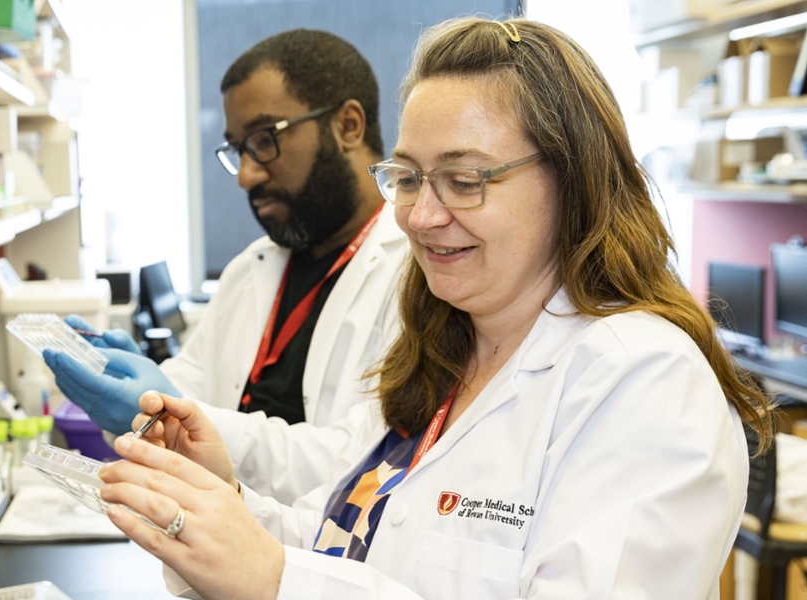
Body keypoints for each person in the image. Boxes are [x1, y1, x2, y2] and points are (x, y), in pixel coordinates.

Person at [92, 17, 773, 599]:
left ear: (571, 179)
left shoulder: (643, 382)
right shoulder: (441, 358)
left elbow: (300, 580)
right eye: (410, 177)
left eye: (464, 179)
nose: (418, 215)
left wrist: (275, 580)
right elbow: (335, 539)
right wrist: (219, 508)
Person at [45, 29, 409, 503]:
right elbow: (191, 382)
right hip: (212, 550)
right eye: (238, 149)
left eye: (264, 140)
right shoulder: (249, 270)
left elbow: (362, 463)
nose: (246, 175)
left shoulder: (415, 278)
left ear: (349, 125)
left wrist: (183, 415)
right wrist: (140, 389)